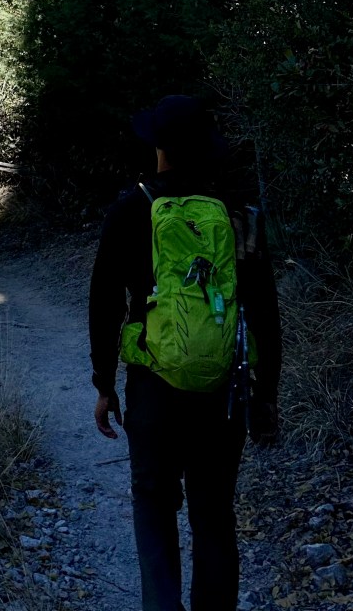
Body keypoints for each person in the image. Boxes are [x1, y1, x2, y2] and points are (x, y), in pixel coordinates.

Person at [88, 95, 281, 611]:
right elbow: (263, 309)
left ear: (159, 148)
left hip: (154, 389)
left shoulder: (133, 208)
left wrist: (105, 383)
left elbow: (105, 301)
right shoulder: (239, 216)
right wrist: (266, 394)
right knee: (214, 514)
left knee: (153, 505)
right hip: (224, 389)